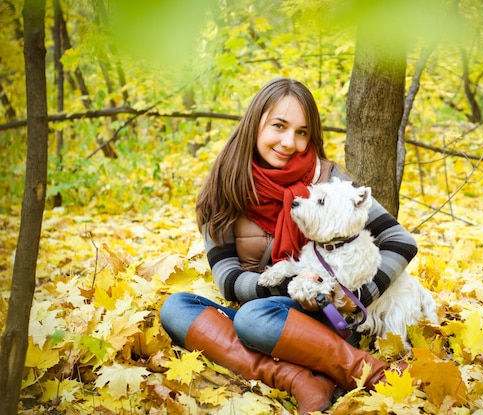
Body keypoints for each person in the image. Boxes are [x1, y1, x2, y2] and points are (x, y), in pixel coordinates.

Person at [160, 78, 419, 414]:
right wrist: (288, 284)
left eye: (301, 132)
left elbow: (400, 241)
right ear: (255, 124)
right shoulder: (224, 188)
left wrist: (355, 298)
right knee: (177, 308)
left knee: (252, 318)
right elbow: (227, 279)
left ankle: (365, 369)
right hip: (265, 310)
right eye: (279, 127)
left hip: (327, 318)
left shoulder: (328, 180)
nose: (289, 142)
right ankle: (300, 379)